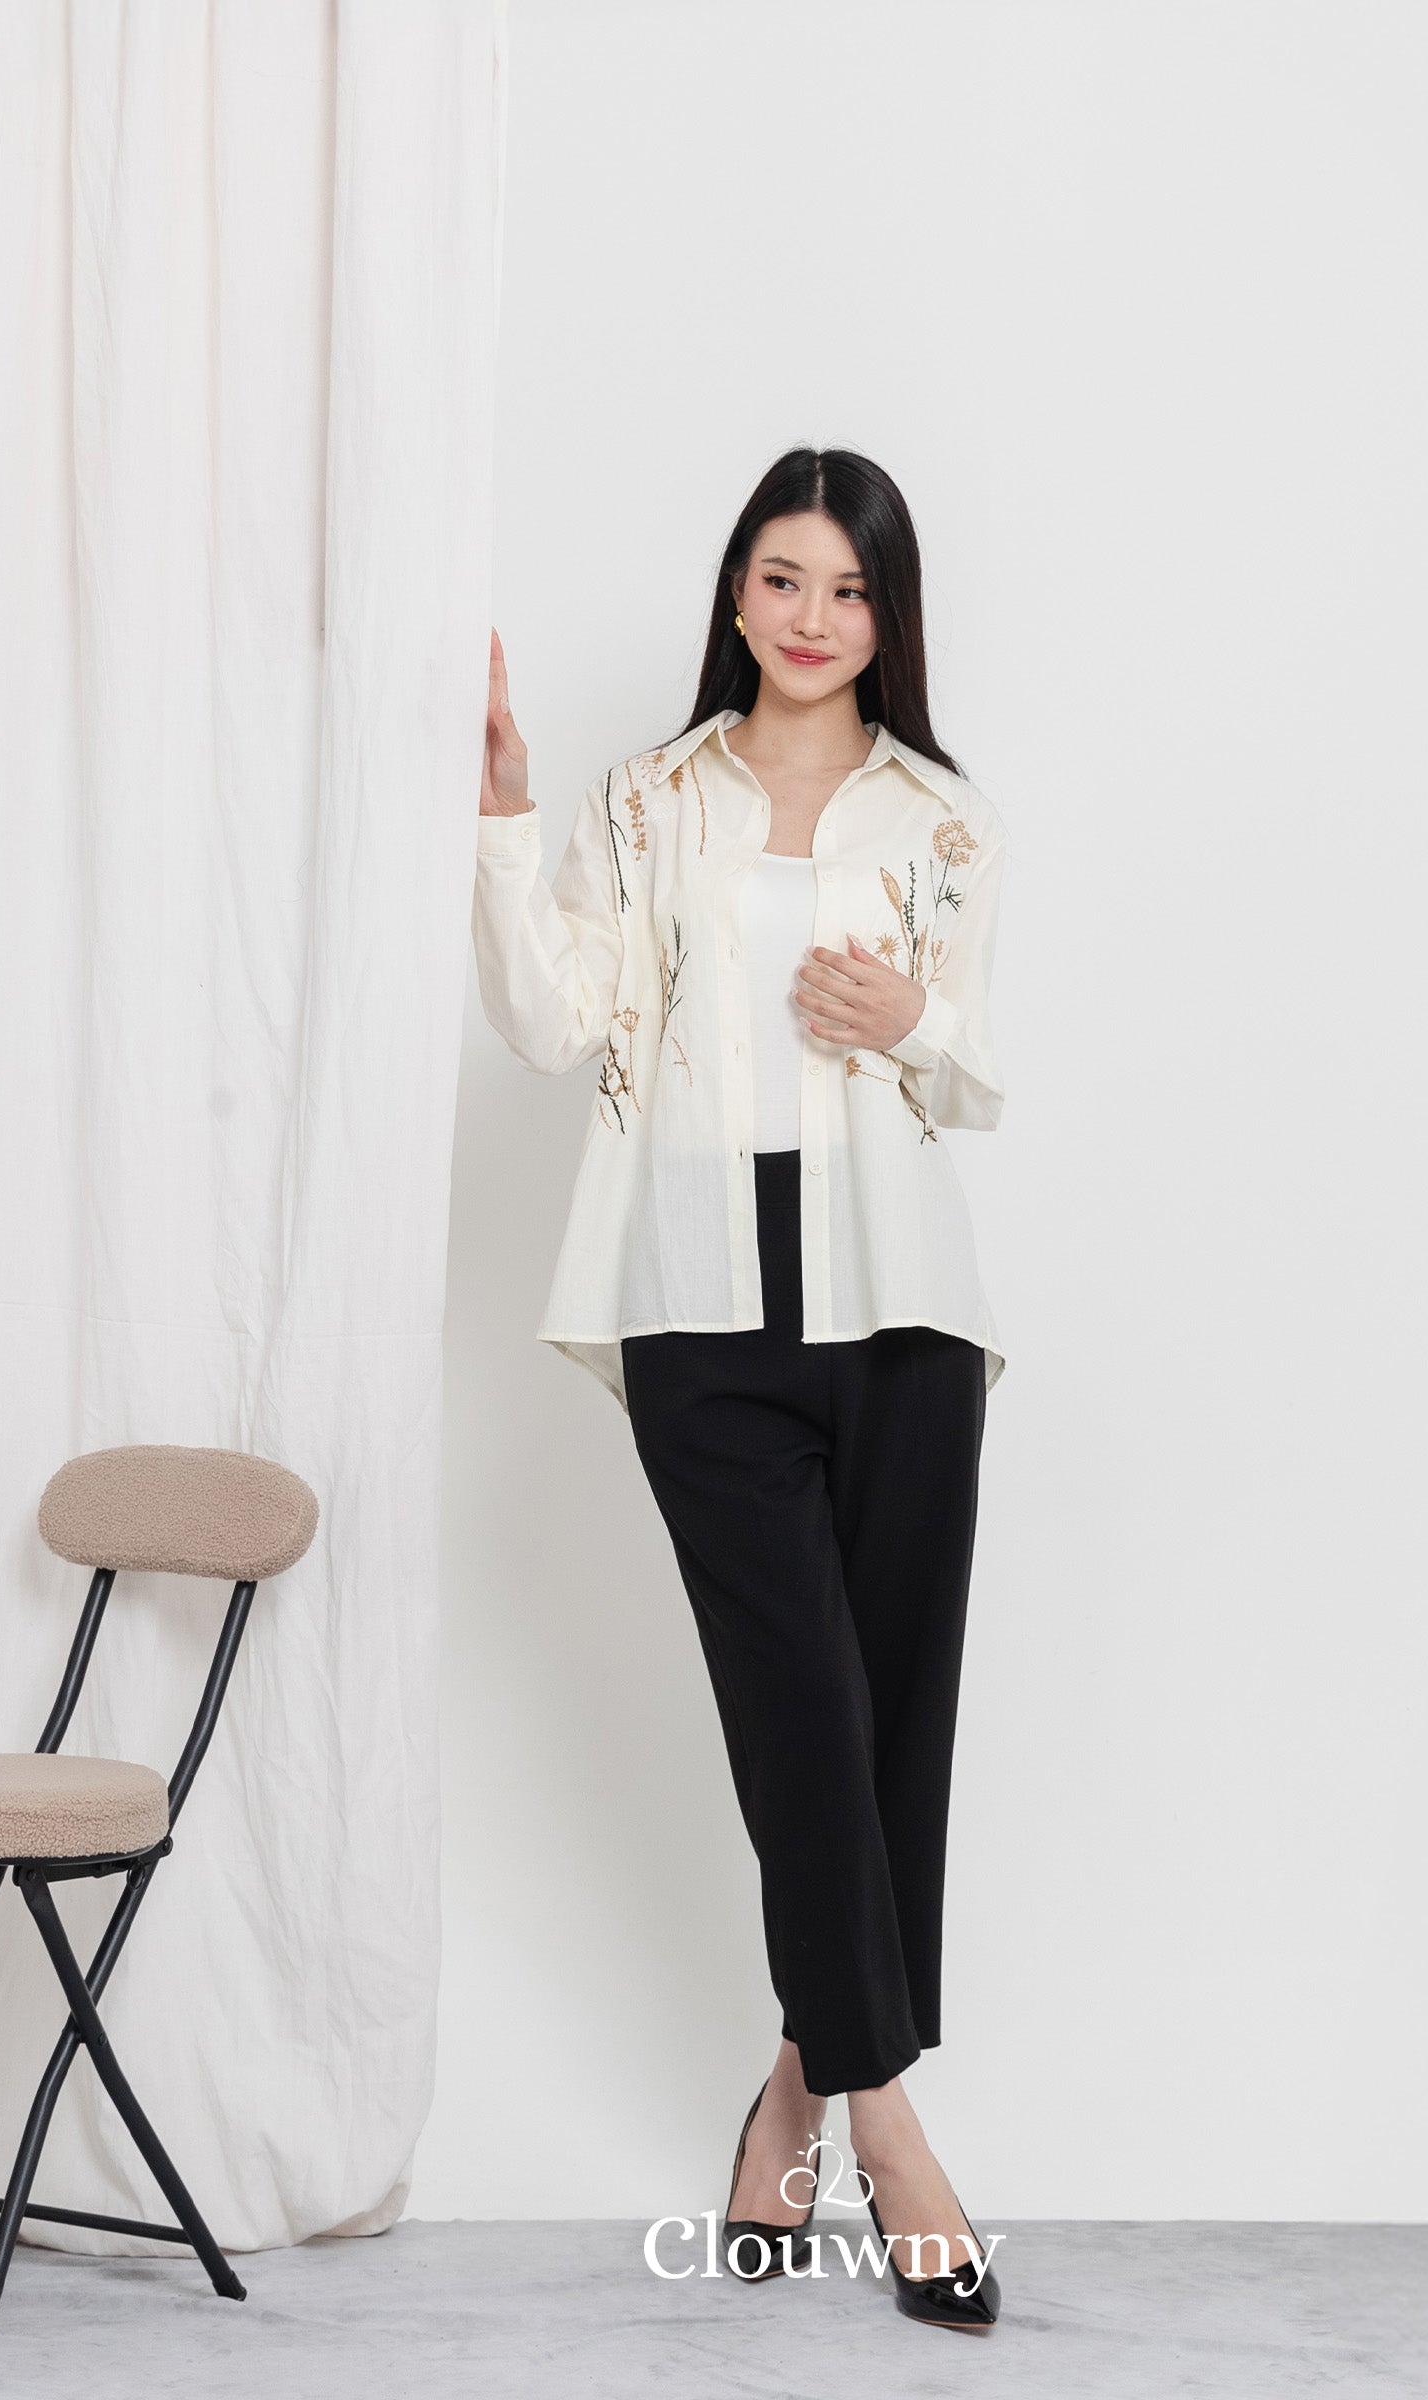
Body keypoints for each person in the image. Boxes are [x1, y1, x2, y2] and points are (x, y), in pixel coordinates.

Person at [470, 446, 1008, 2332]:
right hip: (702, 1306)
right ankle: (896, 2132)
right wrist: (506, 818)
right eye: (784, 578)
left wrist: (913, 1020)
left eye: (848, 589)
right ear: (736, 593)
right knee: (799, 1718)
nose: (811, 617)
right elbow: (554, 1022)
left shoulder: (942, 818)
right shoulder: (648, 801)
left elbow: (974, 1074)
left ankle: (795, 2088)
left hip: (902, 1307)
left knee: (889, 1729)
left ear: (888, 616)